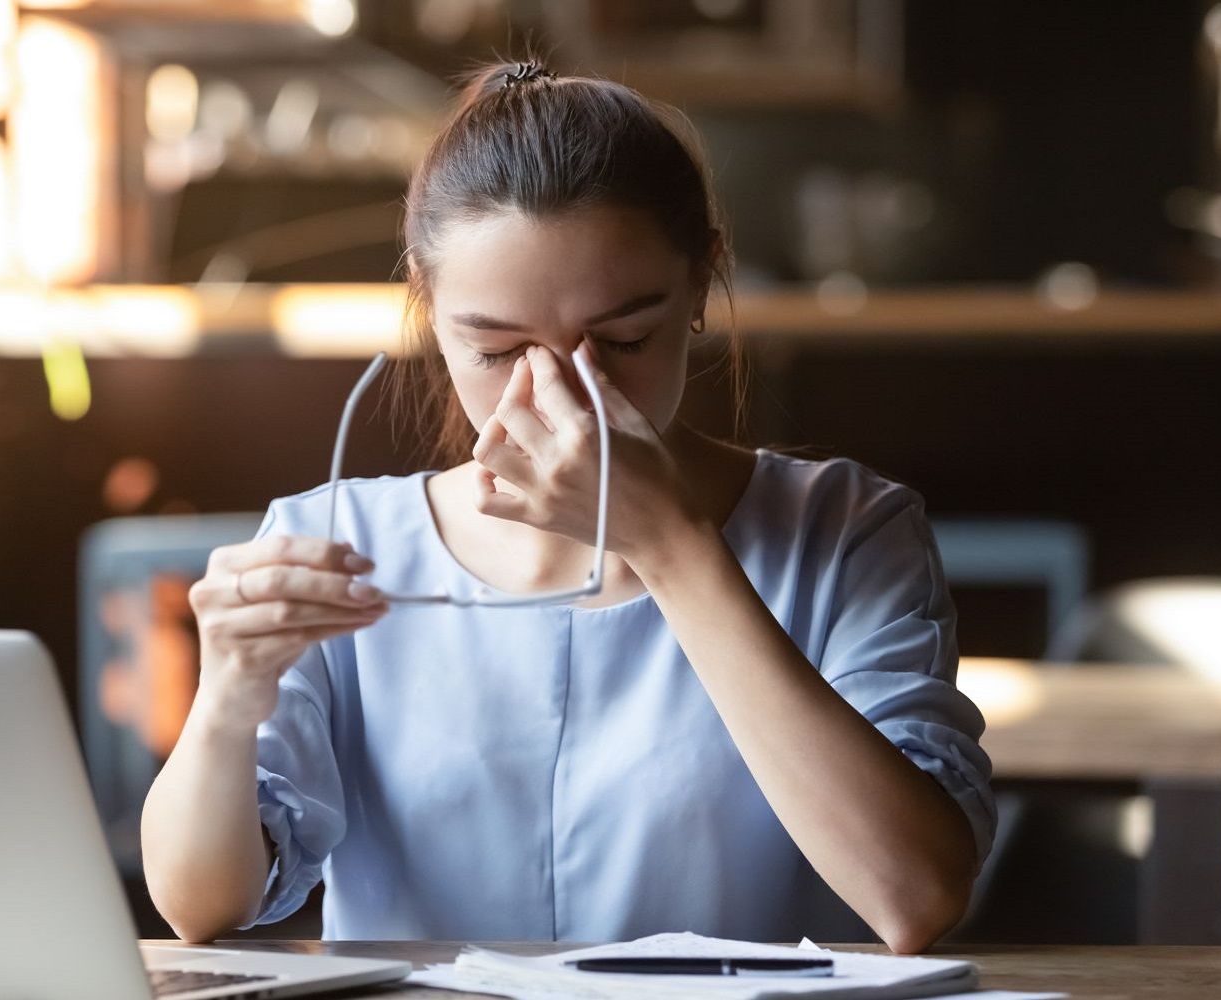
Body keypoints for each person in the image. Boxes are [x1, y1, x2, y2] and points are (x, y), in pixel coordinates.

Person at [141, 56, 993, 954]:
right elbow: (200, 910)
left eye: (623, 340)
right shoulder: (339, 541)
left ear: (703, 284)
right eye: (499, 351)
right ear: (433, 312)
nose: (561, 397)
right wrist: (228, 702)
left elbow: (916, 896)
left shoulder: (848, 531)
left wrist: (672, 549)